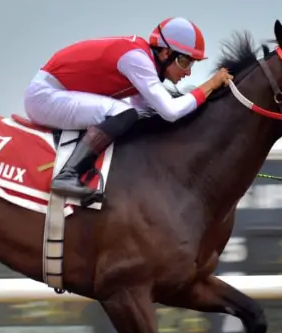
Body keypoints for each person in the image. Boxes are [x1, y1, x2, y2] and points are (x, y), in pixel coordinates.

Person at [24, 17, 234, 199]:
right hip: (45, 96)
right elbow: (170, 111)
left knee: (132, 115)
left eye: (192, 65)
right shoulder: (137, 59)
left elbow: (146, 112)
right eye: (185, 62)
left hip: (58, 94)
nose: (188, 72)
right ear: (165, 53)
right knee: (123, 113)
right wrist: (210, 85)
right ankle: (68, 175)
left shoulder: (142, 61)